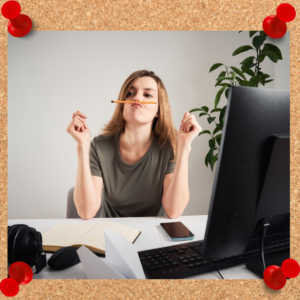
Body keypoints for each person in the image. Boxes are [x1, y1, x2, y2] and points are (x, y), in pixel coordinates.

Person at [66, 70, 202, 219]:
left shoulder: (169, 147)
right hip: (110, 234)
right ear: (122, 105)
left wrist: (184, 145)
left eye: (148, 95)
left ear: (158, 109)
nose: (136, 98)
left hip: (156, 236)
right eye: (130, 93)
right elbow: (86, 212)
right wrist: (82, 145)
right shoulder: (99, 146)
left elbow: (173, 211)